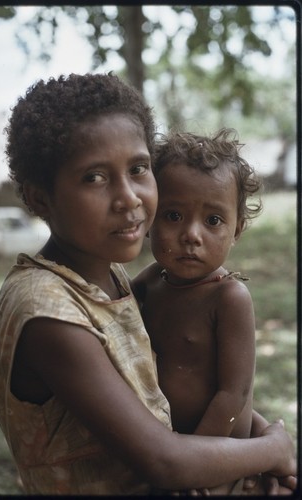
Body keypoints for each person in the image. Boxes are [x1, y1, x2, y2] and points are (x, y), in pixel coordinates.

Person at [0, 74, 296, 496]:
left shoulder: (109, 278)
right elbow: (165, 463)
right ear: (41, 199)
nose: (129, 198)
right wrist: (272, 449)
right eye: (95, 177)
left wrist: (247, 446)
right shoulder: (48, 314)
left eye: (138, 169)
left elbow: (196, 383)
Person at [132, 129, 267, 494]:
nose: (192, 235)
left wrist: (199, 460)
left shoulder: (229, 298)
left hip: (220, 459)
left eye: (213, 221)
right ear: (149, 220)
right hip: (170, 449)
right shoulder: (152, 281)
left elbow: (233, 395)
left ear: (236, 229)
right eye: (173, 215)